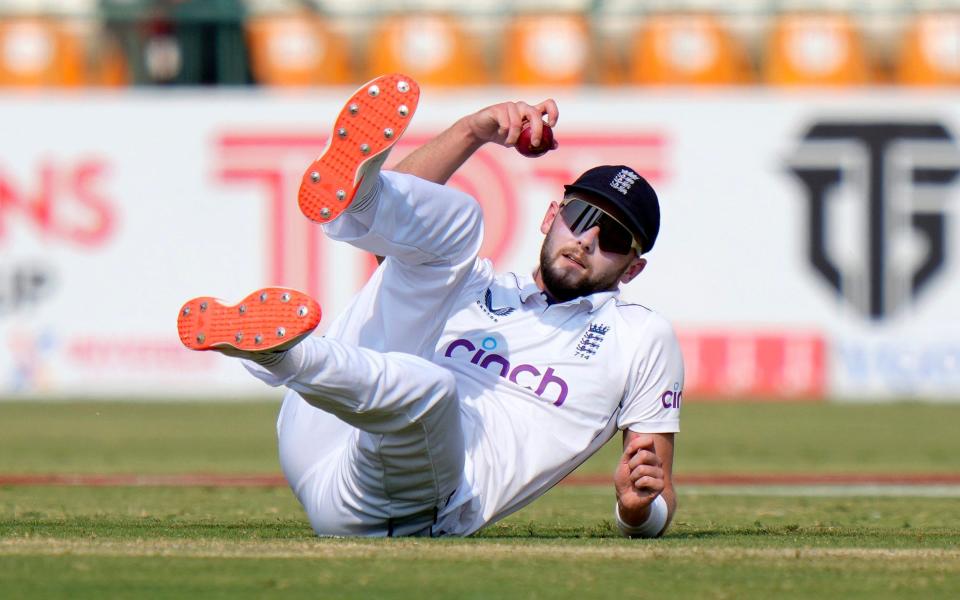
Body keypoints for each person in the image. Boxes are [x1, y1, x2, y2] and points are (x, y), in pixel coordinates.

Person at [177, 73, 684, 538]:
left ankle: (280, 356)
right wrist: (474, 130)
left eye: (614, 236)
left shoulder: (638, 336)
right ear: (552, 215)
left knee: (431, 388)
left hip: (399, 502)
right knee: (459, 226)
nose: (587, 239)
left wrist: (637, 510)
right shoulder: (475, 282)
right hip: (320, 427)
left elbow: (654, 495)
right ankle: (359, 199)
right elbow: (397, 236)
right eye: (579, 215)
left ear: (633, 268)